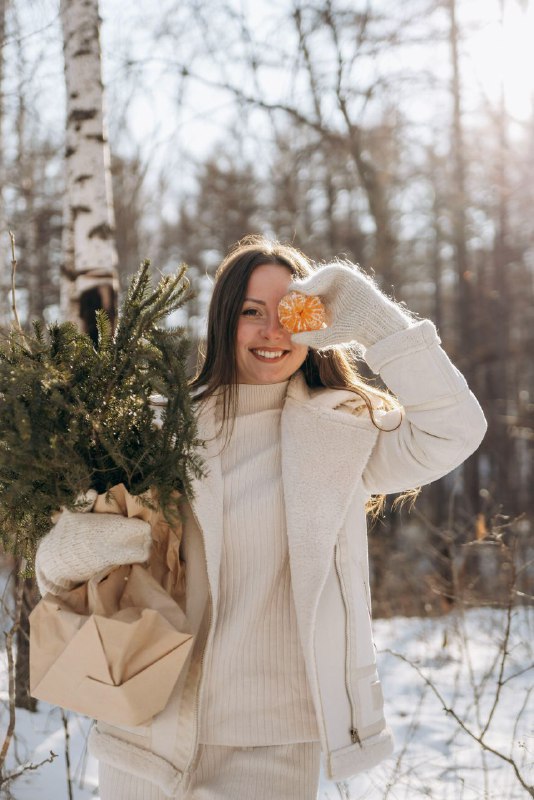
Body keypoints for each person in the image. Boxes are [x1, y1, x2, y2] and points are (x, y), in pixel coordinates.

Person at [35, 235, 487, 800]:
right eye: (252, 313)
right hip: (148, 729)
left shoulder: (344, 432)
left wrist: (375, 320)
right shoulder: (158, 431)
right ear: (224, 321)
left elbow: (457, 430)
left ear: (316, 327)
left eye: (290, 314)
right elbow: (55, 572)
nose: (273, 332)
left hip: (273, 744)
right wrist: (77, 549)